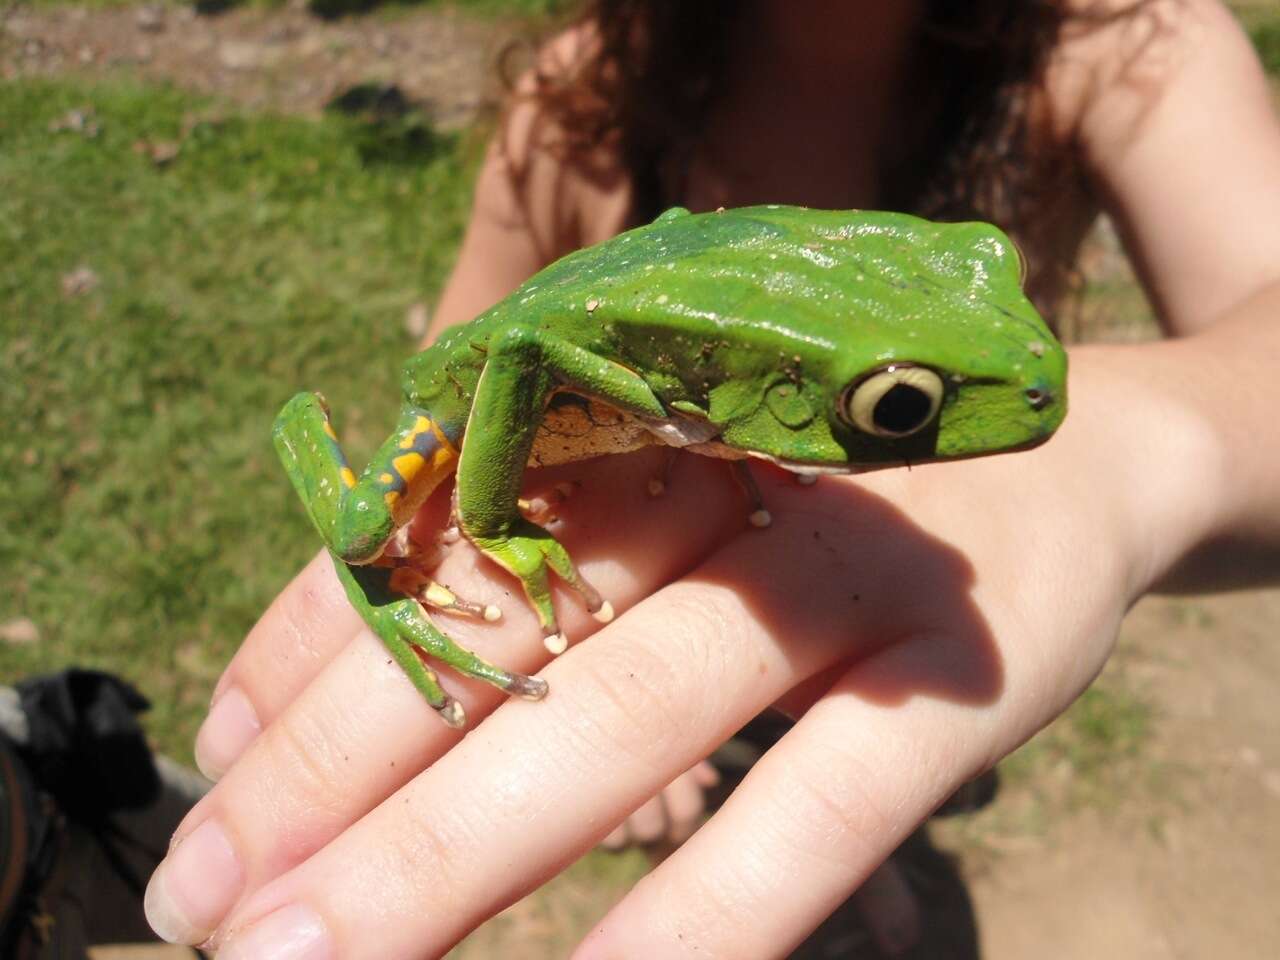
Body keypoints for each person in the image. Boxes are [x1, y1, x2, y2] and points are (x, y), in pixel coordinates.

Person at [144, 1, 1280, 957]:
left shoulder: (1127, 40)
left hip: (775, 542)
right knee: (364, 532)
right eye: (899, 408)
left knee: (848, 779)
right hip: (518, 448)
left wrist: (1134, 455)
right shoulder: (576, 100)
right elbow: (504, 359)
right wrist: (487, 522)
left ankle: (862, 857)